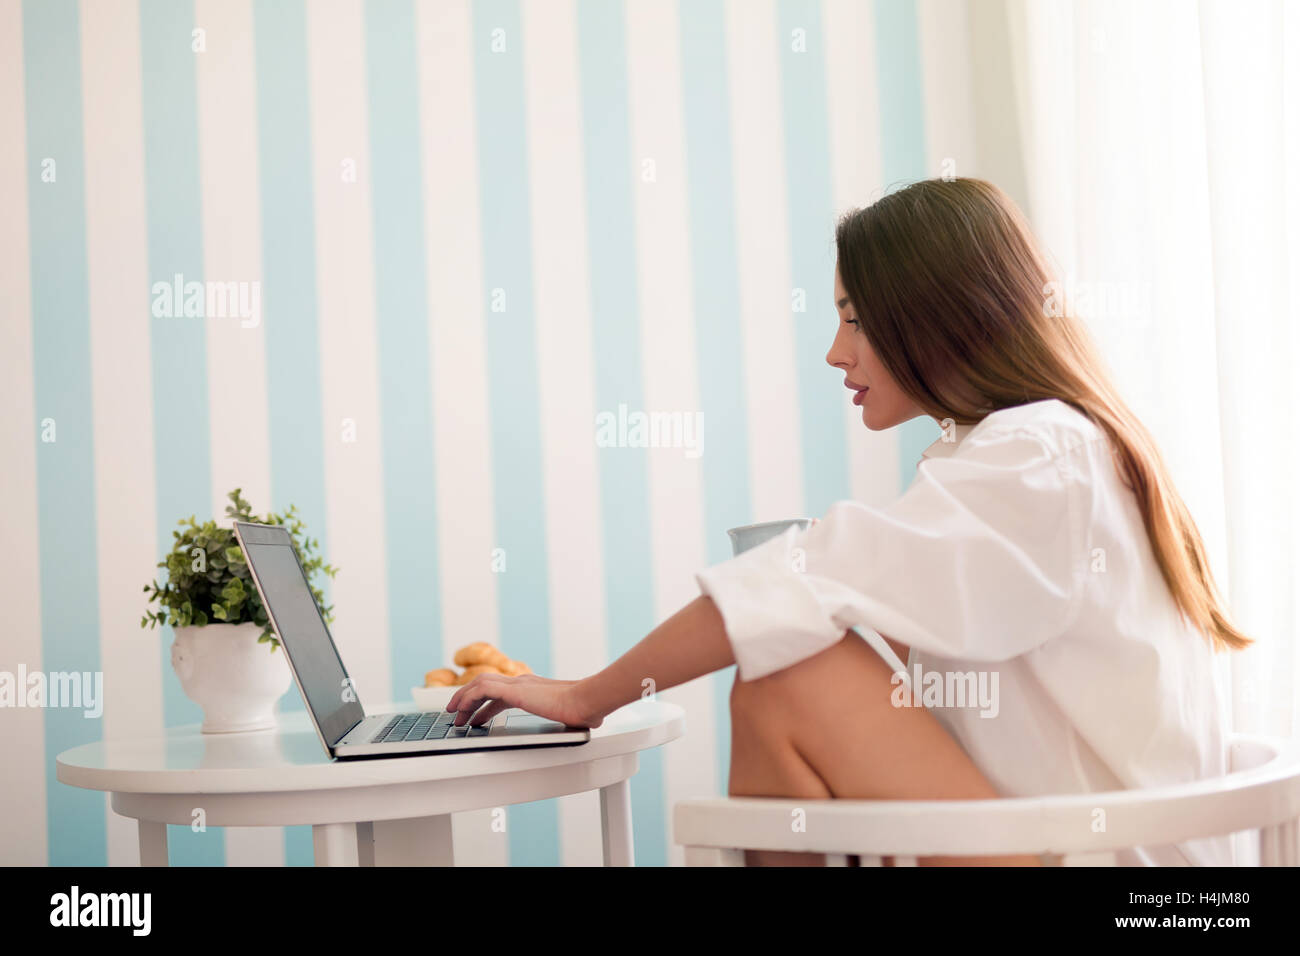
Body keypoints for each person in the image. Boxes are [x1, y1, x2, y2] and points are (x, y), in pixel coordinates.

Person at [447, 177, 1251, 867]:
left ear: (941, 316)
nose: (836, 353)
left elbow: (813, 576)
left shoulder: (1038, 453)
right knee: (780, 668)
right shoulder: (1033, 448)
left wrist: (588, 697)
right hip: (1106, 860)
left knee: (784, 667)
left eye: (857, 320)